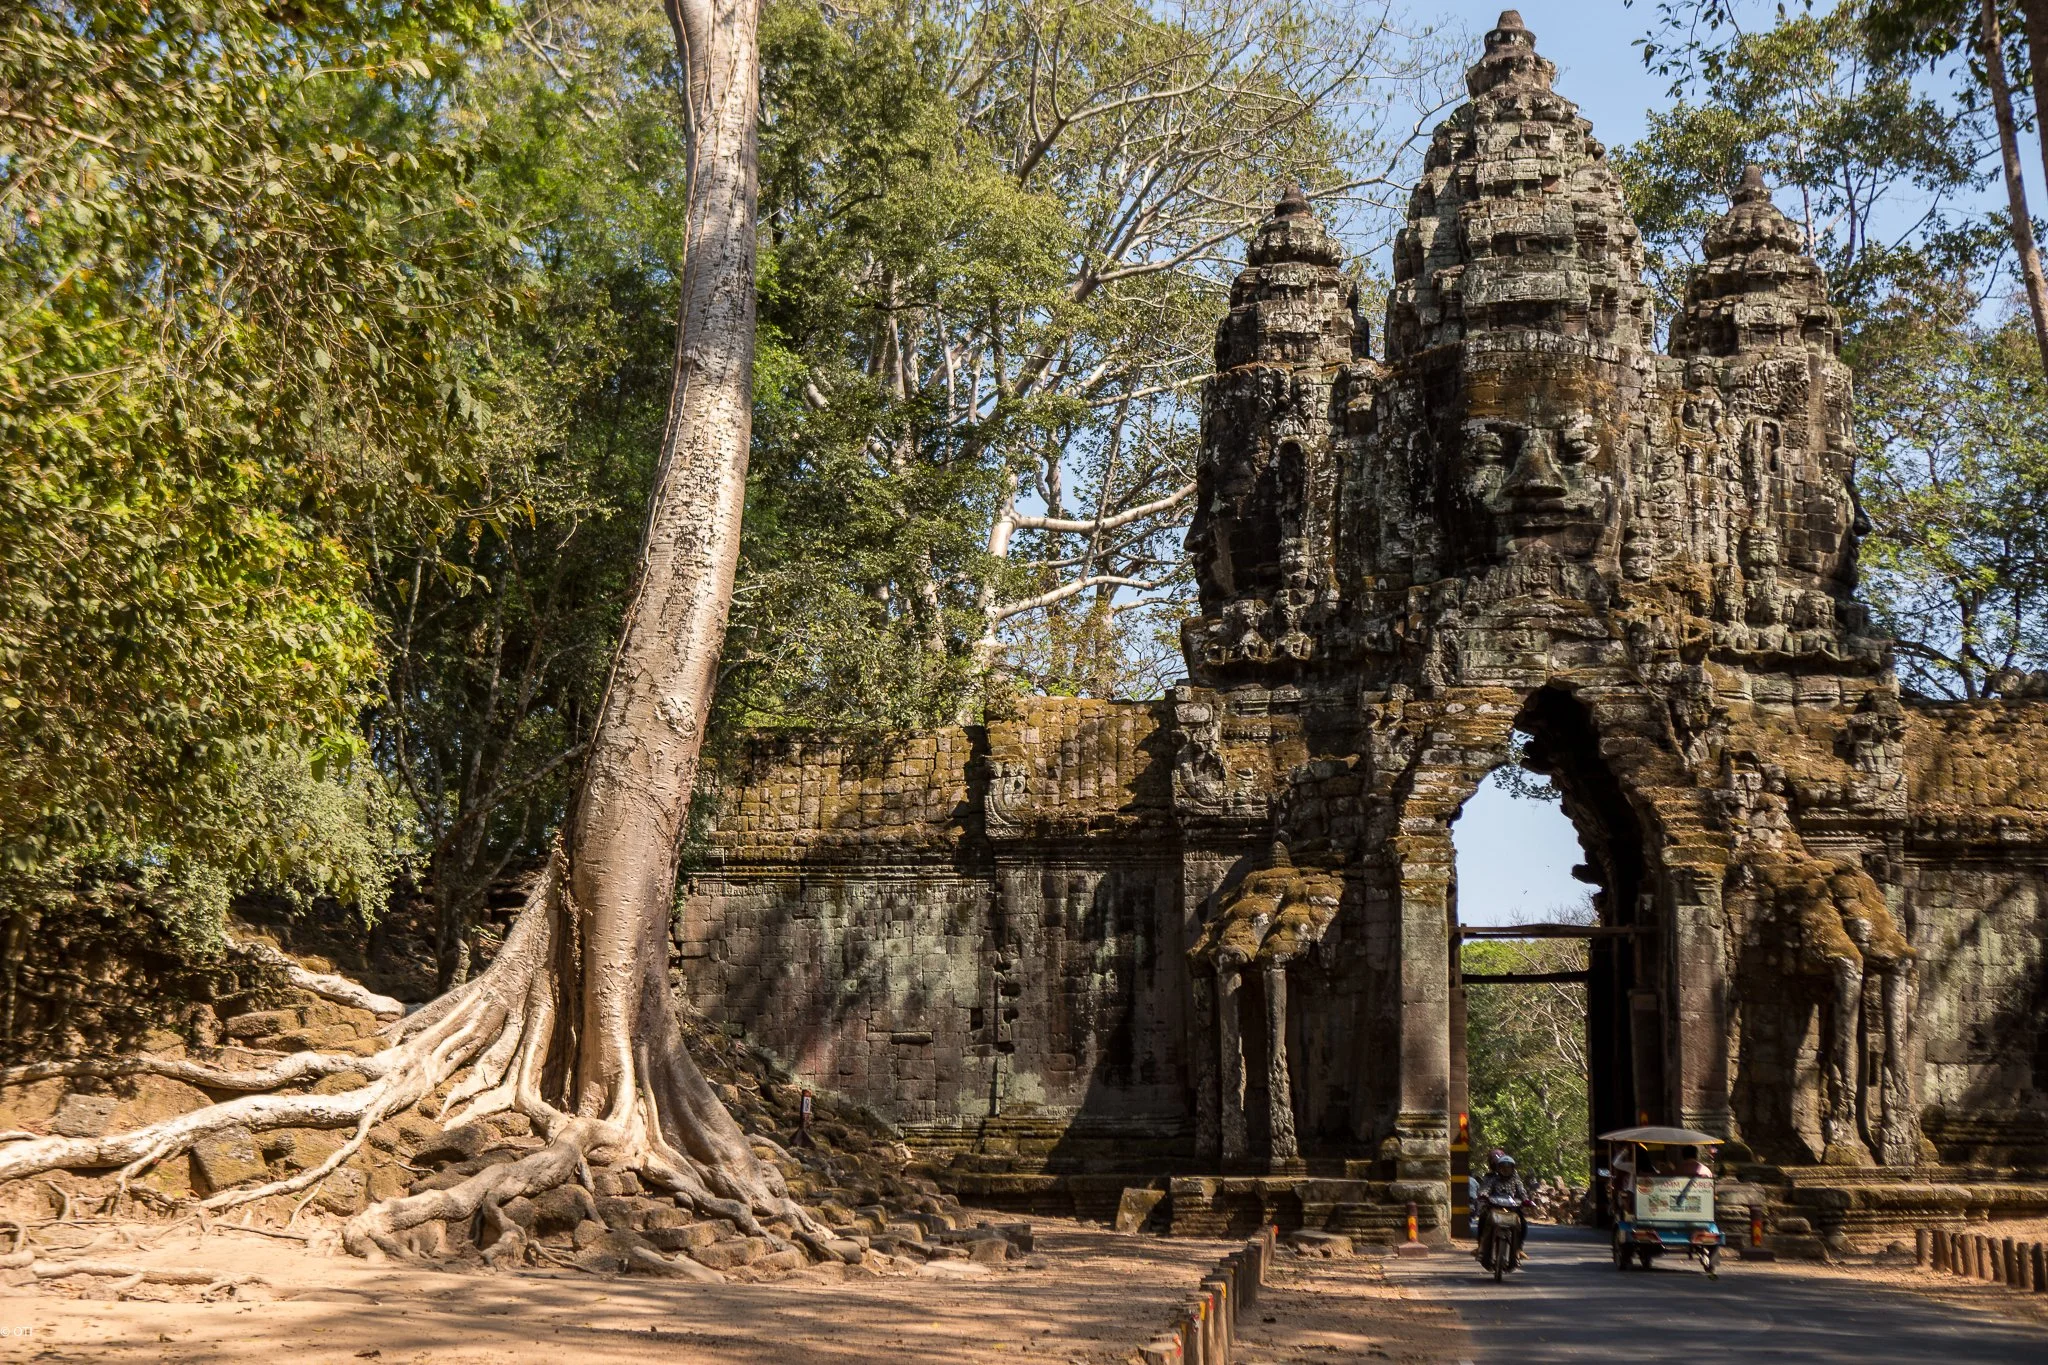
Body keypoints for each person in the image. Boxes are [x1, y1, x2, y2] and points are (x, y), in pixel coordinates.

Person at [1474, 1150, 1532, 1267]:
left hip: (1512, 1209)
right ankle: (1481, 1246)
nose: (1505, 1170)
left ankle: (1518, 1249)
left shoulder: (1516, 1180)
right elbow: (1486, 1189)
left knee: (1523, 1223)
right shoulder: (1492, 1179)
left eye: (1508, 1167)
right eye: (1502, 1167)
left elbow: (1522, 1192)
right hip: (1494, 1208)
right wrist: (1484, 1195)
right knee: (1483, 1219)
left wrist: (1526, 1200)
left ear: (1512, 1168)